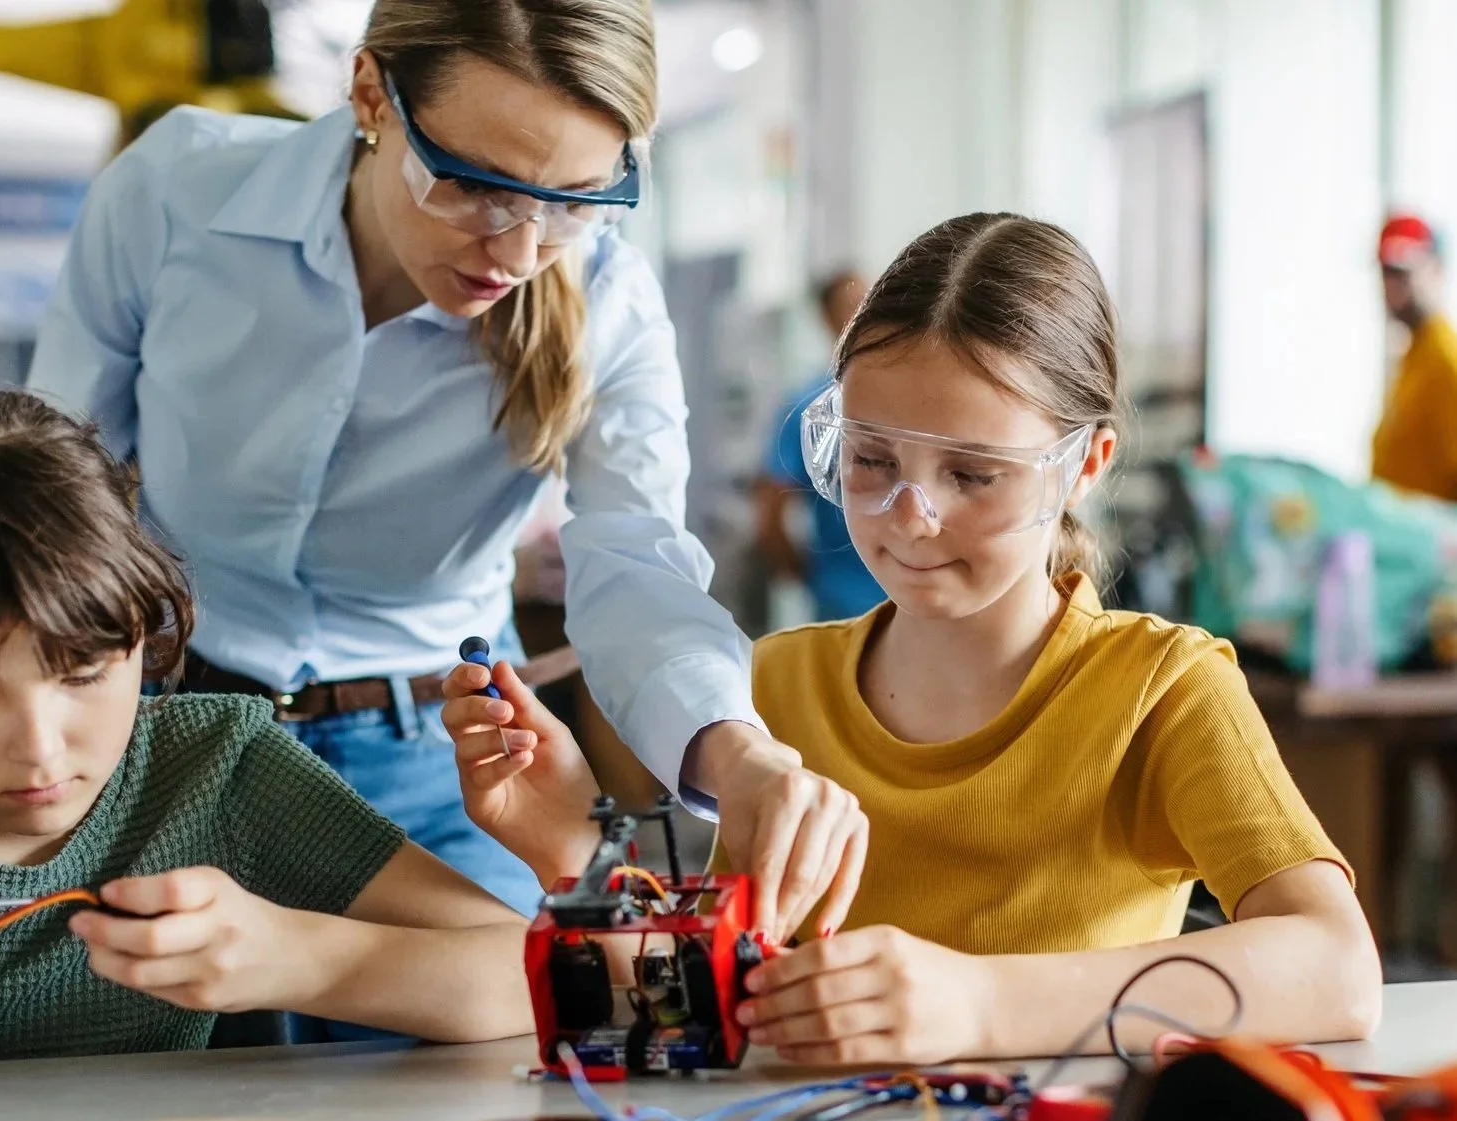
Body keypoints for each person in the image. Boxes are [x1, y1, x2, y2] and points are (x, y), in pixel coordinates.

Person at [26, 0, 863, 961]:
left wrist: (739, 752)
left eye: (575, 201)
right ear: (371, 94)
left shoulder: (608, 301)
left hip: (453, 765)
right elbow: (57, 486)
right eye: (474, 187)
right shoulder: (177, 193)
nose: (516, 253)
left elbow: (633, 563)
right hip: (168, 741)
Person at [441, 213, 1382, 1065]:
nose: (910, 519)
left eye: (973, 474)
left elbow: (1337, 969)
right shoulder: (775, 684)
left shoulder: (1160, 688)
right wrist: (575, 850)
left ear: (1083, 465)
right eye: (872, 460)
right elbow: (726, 997)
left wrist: (975, 1004)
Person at [0, 392, 546, 1069]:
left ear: (145, 629)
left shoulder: (214, 767)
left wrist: (298, 957)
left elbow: (537, 973)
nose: (41, 748)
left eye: (82, 676)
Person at [754, 269, 885, 620]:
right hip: (843, 602)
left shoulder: (909, 396)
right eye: (852, 304)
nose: (863, 313)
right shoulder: (808, 407)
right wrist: (802, 575)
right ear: (826, 318)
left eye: (870, 301)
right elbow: (769, 509)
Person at [1371, 213, 1457, 504]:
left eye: (1404, 271)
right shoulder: (1414, 357)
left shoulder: (1446, 361)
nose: (1394, 284)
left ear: (1437, 270)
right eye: (1387, 272)